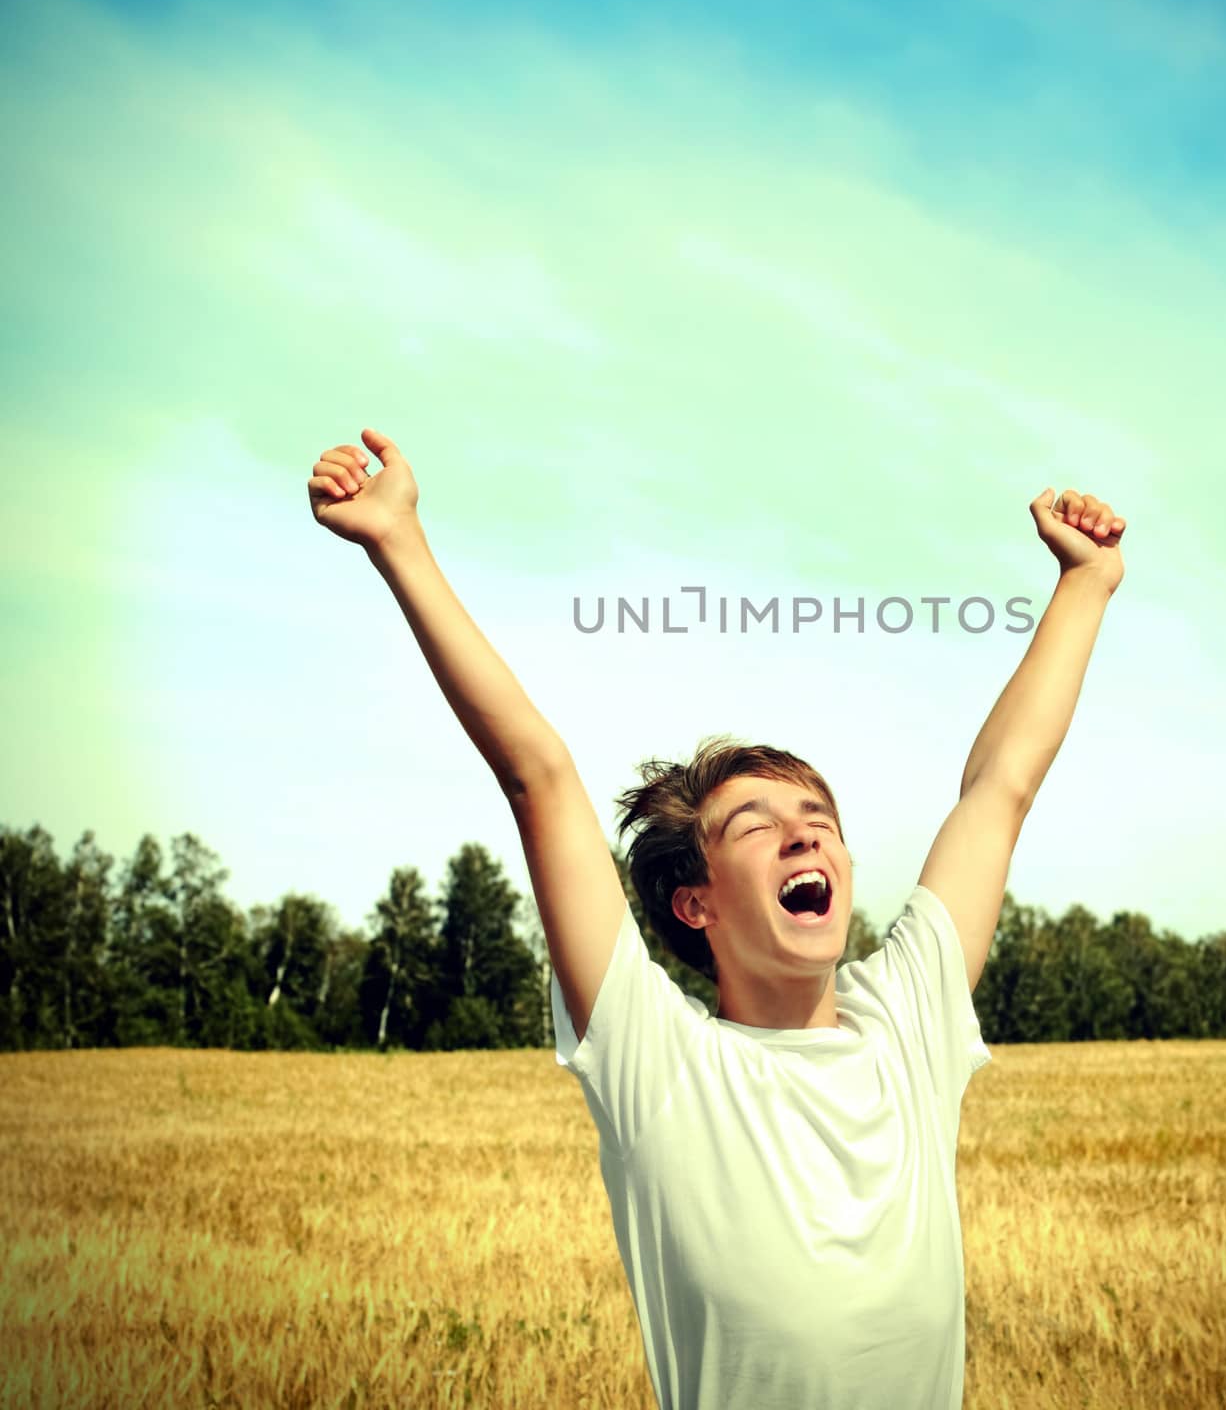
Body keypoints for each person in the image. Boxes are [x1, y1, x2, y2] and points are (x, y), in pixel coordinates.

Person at [308, 427, 1126, 1410]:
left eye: (818, 822)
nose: (802, 838)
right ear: (694, 901)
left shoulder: (907, 1017)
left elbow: (999, 788)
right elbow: (538, 776)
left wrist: (1085, 584)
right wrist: (398, 540)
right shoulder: (659, 1061)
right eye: (756, 825)